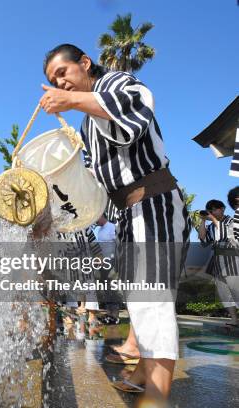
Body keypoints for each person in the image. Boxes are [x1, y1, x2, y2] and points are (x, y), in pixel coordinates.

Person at [42, 44, 190, 403]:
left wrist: (72, 100)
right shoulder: (85, 123)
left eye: (63, 72)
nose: (59, 82)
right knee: (136, 299)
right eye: (52, 80)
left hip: (152, 199)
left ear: (85, 63)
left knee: (151, 297)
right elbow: (92, 176)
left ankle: (156, 394)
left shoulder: (119, 83)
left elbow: (132, 119)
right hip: (127, 211)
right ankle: (143, 369)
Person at [198, 199, 239, 327]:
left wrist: (213, 219)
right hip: (218, 263)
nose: (212, 213)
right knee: (224, 293)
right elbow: (203, 240)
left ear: (222, 209)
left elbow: (225, 235)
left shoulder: (232, 221)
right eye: (210, 211)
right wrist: (203, 220)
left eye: (214, 209)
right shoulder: (211, 226)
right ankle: (234, 319)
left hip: (233, 262)